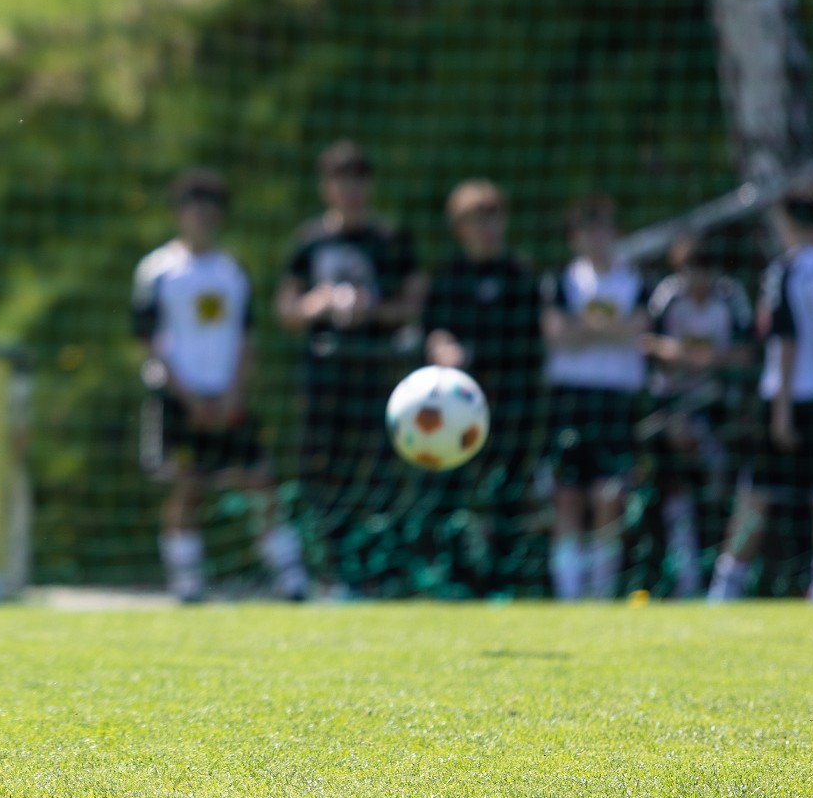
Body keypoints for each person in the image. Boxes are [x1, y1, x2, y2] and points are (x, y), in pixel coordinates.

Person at [131, 169, 308, 602]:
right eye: (194, 208)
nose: (202, 216)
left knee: (261, 482)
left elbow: (246, 338)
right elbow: (148, 341)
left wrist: (233, 394)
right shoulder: (158, 270)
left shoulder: (232, 271)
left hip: (228, 398)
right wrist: (187, 397)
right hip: (178, 399)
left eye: (211, 208)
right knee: (187, 485)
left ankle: (291, 580)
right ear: (179, 213)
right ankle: (187, 583)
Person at [274, 140, 426, 592]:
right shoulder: (309, 241)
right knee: (323, 474)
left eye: (358, 180)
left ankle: (383, 573)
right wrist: (317, 304)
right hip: (325, 378)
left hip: (379, 376)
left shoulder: (391, 239)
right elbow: (287, 310)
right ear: (326, 187)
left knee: (383, 473)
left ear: (369, 185)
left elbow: (416, 304)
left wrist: (372, 308)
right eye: (341, 181)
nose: (351, 190)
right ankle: (329, 572)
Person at [709, 184, 813, 603]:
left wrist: (782, 410)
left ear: (789, 220)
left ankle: (727, 583)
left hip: (792, 394)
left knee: (756, 493)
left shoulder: (786, 270)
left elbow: (785, 340)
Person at [420, 179, 546, 594]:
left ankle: (504, 580)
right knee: (445, 490)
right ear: (460, 228)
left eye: (494, 218)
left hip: (511, 404)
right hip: (454, 411)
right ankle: (448, 577)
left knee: (506, 493)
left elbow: (532, 341)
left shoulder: (523, 275)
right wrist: (442, 347)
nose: (488, 228)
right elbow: (432, 331)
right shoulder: (447, 278)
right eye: (478, 221)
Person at [541, 195, 648, 601]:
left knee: (610, 496)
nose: (595, 237)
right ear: (575, 237)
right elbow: (557, 333)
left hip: (617, 398)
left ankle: (602, 592)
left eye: (602, 227)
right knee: (567, 495)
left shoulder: (633, 280)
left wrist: (585, 326)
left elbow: (639, 328)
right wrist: (610, 327)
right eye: (587, 229)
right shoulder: (563, 280)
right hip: (571, 399)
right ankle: (569, 595)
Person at [640, 234, 753, 598]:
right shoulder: (667, 296)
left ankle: (718, 572)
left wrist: (708, 360)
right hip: (672, 406)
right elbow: (648, 343)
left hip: (719, 409)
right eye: (693, 268)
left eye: (707, 268)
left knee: (719, 487)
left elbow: (748, 352)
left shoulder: (731, 297)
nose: (700, 277)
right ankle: (683, 573)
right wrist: (683, 356)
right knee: (674, 485)